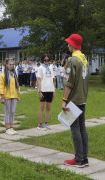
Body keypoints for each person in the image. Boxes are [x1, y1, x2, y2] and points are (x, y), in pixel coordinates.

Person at [62, 34, 89, 168]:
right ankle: (84, 157)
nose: (68, 45)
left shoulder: (72, 60)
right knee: (82, 128)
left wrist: (64, 100)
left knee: (75, 129)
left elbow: (69, 83)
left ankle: (78, 159)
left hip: (73, 99)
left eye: (69, 43)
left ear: (73, 44)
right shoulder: (84, 59)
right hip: (83, 98)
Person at [0, 59, 20, 135]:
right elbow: (1, 86)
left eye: (13, 64)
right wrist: (2, 97)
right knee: (7, 112)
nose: (11, 66)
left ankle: (11, 127)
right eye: (10, 64)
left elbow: (17, 85)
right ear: (6, 65)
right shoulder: (3, 75)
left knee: (12, 112)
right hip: (7, 96)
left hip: (14, 96)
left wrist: (17, 95)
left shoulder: (14, 74)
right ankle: (7, 128)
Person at [37, 54, 56, 130]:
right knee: (42, 107)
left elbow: (53, 80)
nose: (46, 61)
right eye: (45, 60)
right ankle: (40, 124)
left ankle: (46, 123)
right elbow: (39, 80)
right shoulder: (40, 68)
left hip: (50, 90)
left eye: (48, 60)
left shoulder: (51, 68)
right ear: (43, 60)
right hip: (43, 90)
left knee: (48, 108)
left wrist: (54, 90)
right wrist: (40, 91)